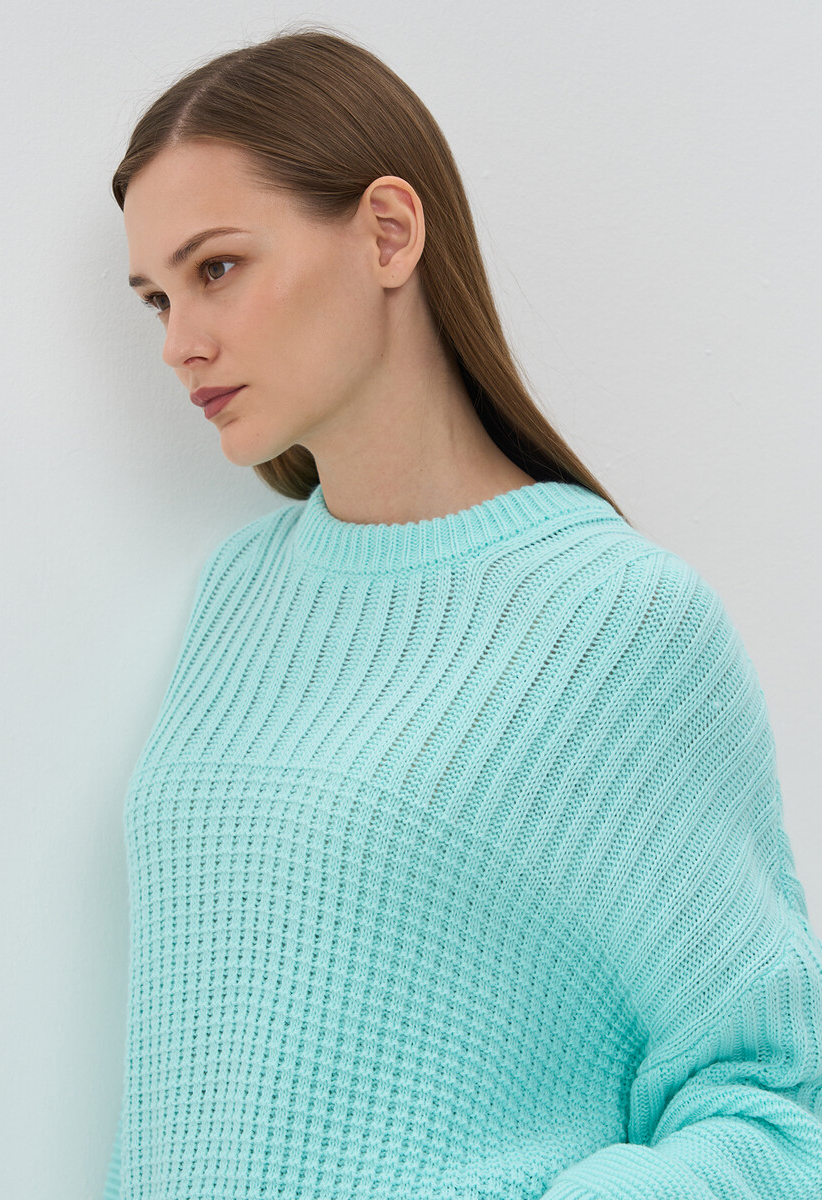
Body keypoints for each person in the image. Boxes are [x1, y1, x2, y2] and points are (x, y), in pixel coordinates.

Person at [103, 24, 822, 1200]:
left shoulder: (614, 623)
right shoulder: (241, 594)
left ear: (389, 232)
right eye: (155, 299)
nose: (181, 344)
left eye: (216, 269)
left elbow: (774, 1105)